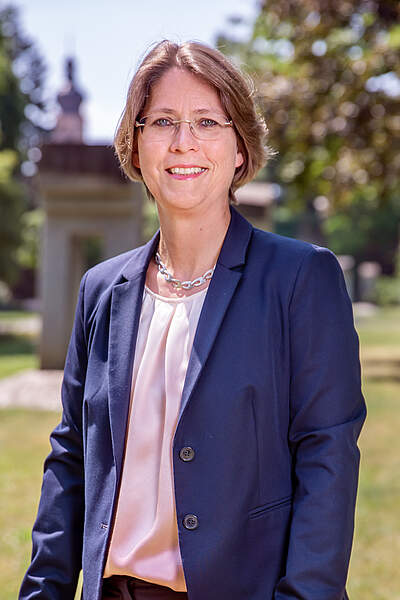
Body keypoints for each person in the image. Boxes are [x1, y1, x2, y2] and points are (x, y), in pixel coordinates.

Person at [20, 40, 366, 600]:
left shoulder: (301, 279)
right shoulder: (101, 292)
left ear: (239, 149)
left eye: (207, 121)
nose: (184, 142)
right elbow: (70, 461)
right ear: (135, 148)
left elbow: (327, 458)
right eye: (162, 122)